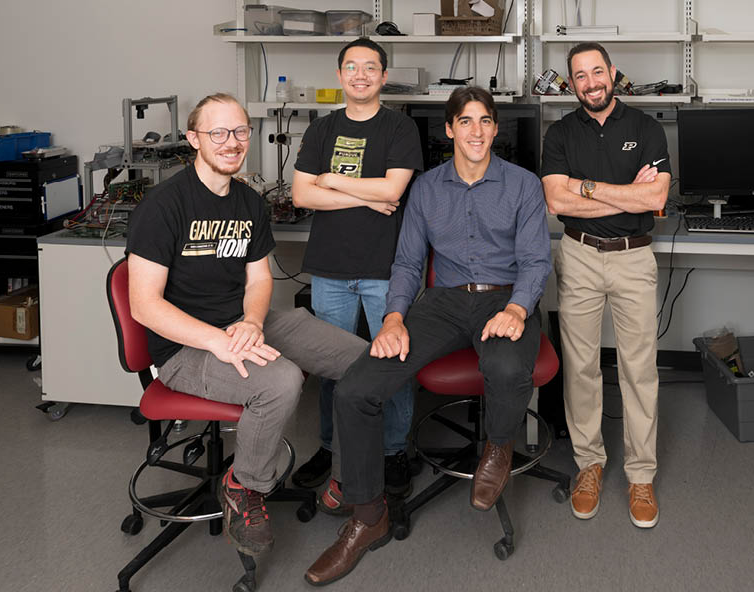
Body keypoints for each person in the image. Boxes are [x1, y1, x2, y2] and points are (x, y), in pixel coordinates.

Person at [305, 87, 551, 585]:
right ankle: (367, 517)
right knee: (355, 389)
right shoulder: (427, 188)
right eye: (466, 121)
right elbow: (408, 261)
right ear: (449, 130)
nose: (476, 131)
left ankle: (499, 446)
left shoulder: (524, 185)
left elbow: (535, 260)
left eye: (485, 121)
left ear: (495, 129)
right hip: (441, 303)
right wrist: (394, 317)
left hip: (504, 296)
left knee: (505, 367)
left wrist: (518, 308)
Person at [125, 93, 368, 556]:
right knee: (280, 382)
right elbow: (144, 306)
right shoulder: (164, 207)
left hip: (243, 323)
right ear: (194, 139)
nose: (231, 142)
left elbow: (259, 279)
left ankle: (346, 473)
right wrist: (220, 341)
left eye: (240, 131)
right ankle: (244, 486)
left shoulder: (249, 203)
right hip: (185, 346)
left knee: (359, 358)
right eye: (218, 132)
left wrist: (252, 323)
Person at [540, 42, 670, 529]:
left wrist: (587, 187)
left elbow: (655, 197)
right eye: (580, 76)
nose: (591, 82)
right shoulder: (559, 134)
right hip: (578, 256)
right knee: (581, 368)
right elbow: (556, 202)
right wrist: (626, 197)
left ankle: (641, 475)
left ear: (613, 73)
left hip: (634, 258)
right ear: (571, 84)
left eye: (598, 72)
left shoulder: (646, 128)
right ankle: (589, 466)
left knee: (639, 370)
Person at [291, 37, 423, 509]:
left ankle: (392, 452)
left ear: (384, 76)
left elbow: (395, 186)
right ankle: (331, 448)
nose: (361, 74)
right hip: (330, 268)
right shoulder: (322, 128)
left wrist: (332, 180)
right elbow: (302, 196)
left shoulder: (399, 129)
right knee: (331, 367)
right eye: (352, 67)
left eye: (371, 67)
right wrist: (367, 196)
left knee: (391, 363)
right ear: (340, 75)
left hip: (386, 268)